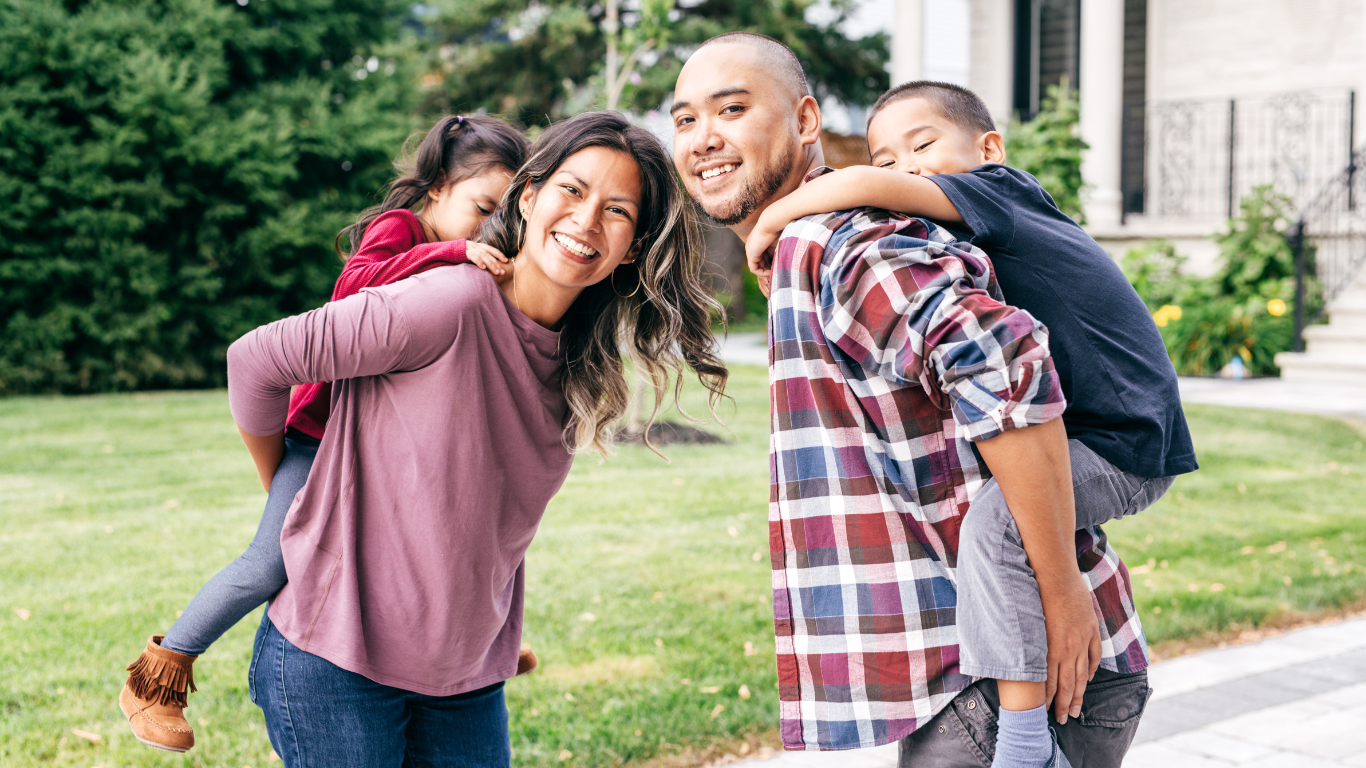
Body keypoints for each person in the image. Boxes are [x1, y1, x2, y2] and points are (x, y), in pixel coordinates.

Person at [672, 33, 1156, 768]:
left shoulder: (840, 242)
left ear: (806, 121)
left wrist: (1062, 596)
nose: (705, 137)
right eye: (683, 120)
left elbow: (1005, 364)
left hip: (1006, 688)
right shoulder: (812, 246)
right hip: (982, 681)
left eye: (732, 109)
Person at [235, 111, 723, 767]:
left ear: (632, 247)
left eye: (617, 211)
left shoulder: (580, 368)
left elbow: (483, 521)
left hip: (464, 681)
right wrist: (288, 493)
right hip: (335, 660)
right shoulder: (451, 301)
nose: (585, 221)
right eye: (571, 190)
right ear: (530, 196)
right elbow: (257, 361)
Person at [118, 114, 531, 753]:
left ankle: (482, 641)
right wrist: (450, 252)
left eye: (505, 218)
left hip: (379, 441)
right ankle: (159, 674)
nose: (489, 229)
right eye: (481, 208)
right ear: (437, 190)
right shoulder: (400, 230)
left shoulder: (472, 259)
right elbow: (353, 287)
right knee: (268, 563)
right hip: (322, 436)